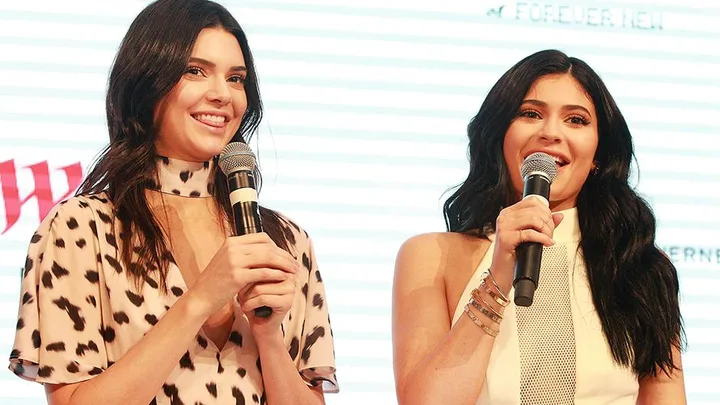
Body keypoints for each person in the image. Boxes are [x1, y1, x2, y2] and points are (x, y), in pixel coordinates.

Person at [8, 1, 337, 404]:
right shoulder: (80, 227)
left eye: (236, 79)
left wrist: (269, 337)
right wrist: (199, 300)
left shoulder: (285, 240)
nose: (222, 95)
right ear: (148, 81)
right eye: (195, 71)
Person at [392, 49, 685, 405]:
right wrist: (498, 277)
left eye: (576, 120)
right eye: (530, 114)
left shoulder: (638, 265)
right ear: (499, 137)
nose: (551, 133)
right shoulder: (430, 256)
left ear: (598, 157)